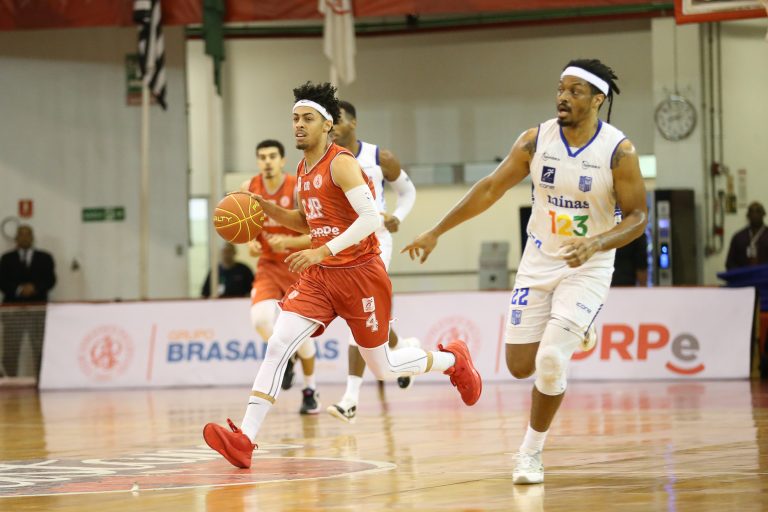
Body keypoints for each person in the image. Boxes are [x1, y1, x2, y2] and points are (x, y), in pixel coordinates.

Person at [203, 81, 482, 469]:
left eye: (307, 119)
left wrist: (320, 249)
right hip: (321, 277)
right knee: (278, 343)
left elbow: (369, 219)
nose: (298, 125)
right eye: (295, 119)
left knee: (384, 368)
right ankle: (245, 439)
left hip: (360, 275)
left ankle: (451, 360)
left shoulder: (342, 163)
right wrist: (266, 208)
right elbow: (307, 220)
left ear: (327, 125)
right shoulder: (303, 168)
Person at [404, 59, 647, 484]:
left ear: (597, 99)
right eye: (560, 88)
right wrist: (436, 231)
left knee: (551, 360)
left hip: (587, 264)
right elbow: (490, 188)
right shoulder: (536, 140)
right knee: (520, 366)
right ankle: (580, 329)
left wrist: (595, 243)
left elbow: (638, 217)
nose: (562, 97)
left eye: (574, 91)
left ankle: (530, 454)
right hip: (538, 260)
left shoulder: (618, 151)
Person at [292, 99, 420, 423]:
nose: (333, 125)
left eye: (338, 120)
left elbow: (408, 192)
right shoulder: (319, 162)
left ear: (353, 123)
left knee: (357, 315)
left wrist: (398, 216)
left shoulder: (379, 157)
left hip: (373, 243)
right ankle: (403, 347)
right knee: (370, 318)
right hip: (337, 244)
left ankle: (350, 398)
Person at [240, 139, 317, 414]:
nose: (267, 161)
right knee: (260, 320)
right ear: (257, 161)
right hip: (269, 267)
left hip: (299, 264)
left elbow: (316, 233)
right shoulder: (249, 189)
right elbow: (243, 229)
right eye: (262, 157)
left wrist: (289, 243)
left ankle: (310, 390)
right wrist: (249, 242)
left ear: (282, 160)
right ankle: (289, 355)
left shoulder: (298, 187)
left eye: (272, 156)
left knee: (302, 335)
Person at [0, 225, 56, 377]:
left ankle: (41, 379)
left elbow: (50, 280)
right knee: (11, 349)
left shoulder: (45, 258)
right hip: (12, 312)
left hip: (38, 311)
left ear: (32, 237)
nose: (24, 237)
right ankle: (10, 381)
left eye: (27, 234)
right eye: (21, 234)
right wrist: (19, 289)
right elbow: (2, 281)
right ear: (16, 238)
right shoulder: (6, 258)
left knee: (40, 348)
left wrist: (35, 288)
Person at [726, 201, 768, 270]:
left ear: (764, 214)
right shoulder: (738, 237)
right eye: (752, 212)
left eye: (758, 211)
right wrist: (741, 273)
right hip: (743, 276)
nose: (755, 214)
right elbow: (729, 263)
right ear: (748, 215)